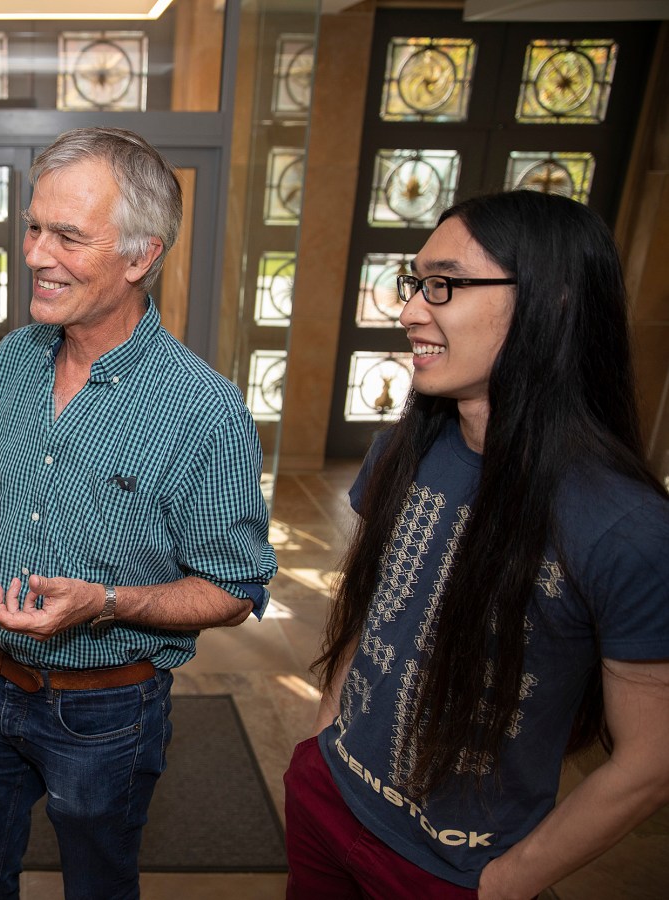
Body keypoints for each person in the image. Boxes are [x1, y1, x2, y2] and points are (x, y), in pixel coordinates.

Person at [0, 127, 277, 899]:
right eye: (32, 226)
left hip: (107, 712)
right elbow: (18, 497)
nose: (34, 254)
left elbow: (236, 586)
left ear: (140, 256)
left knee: (99, 888)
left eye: (68, 237)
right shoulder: (18, 358)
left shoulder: (206, 412)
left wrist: (107, 603)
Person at [284, 190, 669, 899]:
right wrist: (324, 741)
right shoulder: (403, 449)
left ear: (550, 300)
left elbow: (649, 761)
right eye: (416, 283)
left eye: (445, 285)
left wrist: (505, 882)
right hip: (328, 805)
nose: (408, 312)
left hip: (453, 872)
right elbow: (371, 603)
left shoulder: (626, 528)